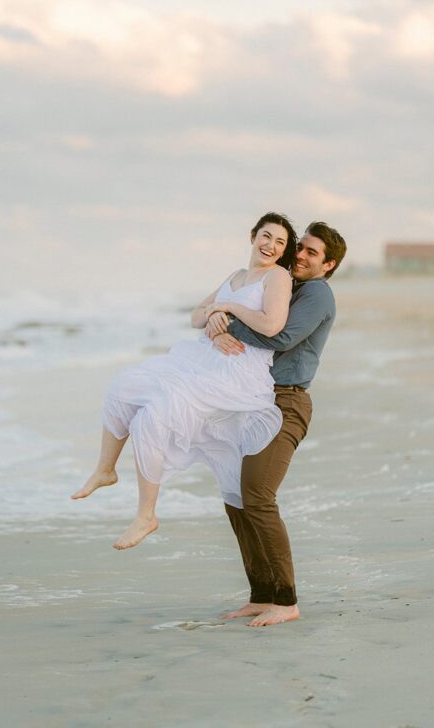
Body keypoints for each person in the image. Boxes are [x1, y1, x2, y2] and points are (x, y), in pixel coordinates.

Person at [71, 213, 299, 550]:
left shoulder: (277, 277)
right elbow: (195, 315)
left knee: (155, 415)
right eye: (267, 236)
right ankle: (106, 469)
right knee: (123, 386)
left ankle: (145, 515)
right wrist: (212, 314)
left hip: (235, 371)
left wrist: (227, 308)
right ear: (253, 236)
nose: (271, 246)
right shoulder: (236, 275)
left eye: (280, 243)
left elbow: (271, 325)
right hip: (201, 360)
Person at [207, 222, 347, 627]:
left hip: (286, 402)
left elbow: (281, 337)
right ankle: (261, 594)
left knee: (257, 492)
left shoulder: (317, 293)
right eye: (300, 247)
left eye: (312, 252)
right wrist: (215, 322)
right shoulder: (283, 282)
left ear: (329, 264)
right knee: (235, 495)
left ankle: (286, 599)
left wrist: (226, 322)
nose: (300, 255)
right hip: (252, 402)